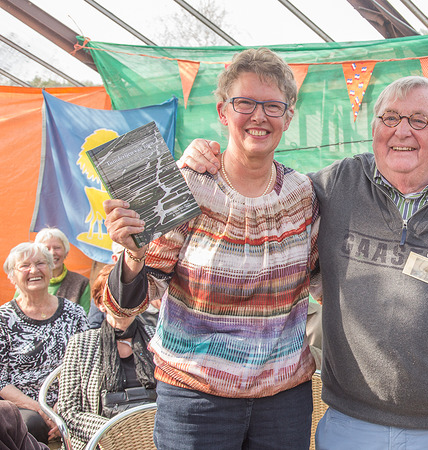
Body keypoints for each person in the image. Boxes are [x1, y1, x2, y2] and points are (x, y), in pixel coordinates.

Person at [182, 75, 428, 449]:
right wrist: (205, 158)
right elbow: (262, 184)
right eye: (390, 118)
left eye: (419, 120)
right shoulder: (334, 185)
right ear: (374, 129)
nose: (402, 131)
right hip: (351, 424)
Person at [102, 47, 318, 450]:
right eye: (244, 103)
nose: (258, 116)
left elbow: (324, 277)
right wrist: (133, 254)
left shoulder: (302, 195)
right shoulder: (187, 186)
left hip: (284, 402)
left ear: (289, 117)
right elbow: (123, 309)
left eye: (273, 106)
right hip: (196, 401)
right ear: (223, 112)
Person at [57, 264, 157, 449]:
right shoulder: (81, 343)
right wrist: (112, 430)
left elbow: (172, 396)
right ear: (100, 303)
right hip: (101, 439)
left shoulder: (156, 338)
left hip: (151, 434)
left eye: (131, 295)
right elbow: (68, 411)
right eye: (115, 296)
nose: (124, 301)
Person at [0, 242, 88, 445]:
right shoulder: (3, 319)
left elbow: (86, 366)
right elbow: (1, 380)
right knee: (32, 424)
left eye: (40, 263)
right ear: (12, 275)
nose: (34, 270)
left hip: (71, 399)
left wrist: (60, 409)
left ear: (50, 270)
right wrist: (42, 411)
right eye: (24, 266)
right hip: (25, 405)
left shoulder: (74, 314)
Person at [24, 228, 91, 314]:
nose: (52, 253)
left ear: (66, 252)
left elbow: (84, 318)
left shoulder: (81, 283)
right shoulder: (28, 280)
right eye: (46, 248)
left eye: (57, 248)